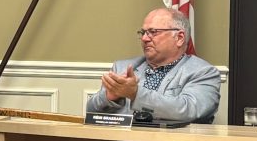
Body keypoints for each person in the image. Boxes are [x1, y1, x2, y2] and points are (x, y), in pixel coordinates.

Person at [86, 8, 220, 123]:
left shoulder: (203, 72)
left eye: (153, 32)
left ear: (179, 38)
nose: (144, 38)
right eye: (143, 33)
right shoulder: (122, 68)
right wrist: (109, 97)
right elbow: (90, 111)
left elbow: (188, 110)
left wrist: (135, 93)